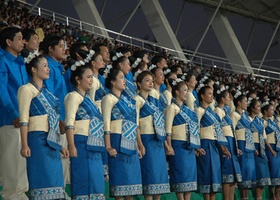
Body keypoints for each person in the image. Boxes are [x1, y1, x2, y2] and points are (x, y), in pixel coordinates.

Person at [18, 52, 68, 199]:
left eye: (48, 66)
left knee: (56, 184)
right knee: (42, 181)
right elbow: (24, 120)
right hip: (37, 140)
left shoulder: (48, 93)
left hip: (52, 142)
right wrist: (25, 144)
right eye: (44, 66)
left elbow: (52, 120)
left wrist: (61, 146)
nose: (48, 69)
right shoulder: (26, 89)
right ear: (34, 69)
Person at [64, 62, 106, 199]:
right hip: (81, 143)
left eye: (92, 77)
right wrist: (71, 145)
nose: (91, 80)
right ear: (78, 79)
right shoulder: (73, 96)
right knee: (83, 180)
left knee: (96, 183)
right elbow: (69, 123)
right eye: (88, 77)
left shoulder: (89, 100)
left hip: (94, 145)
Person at [101, 68, 142, 199]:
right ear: (113, 82)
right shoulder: (108, 98)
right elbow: (106, 124)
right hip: (117, 140)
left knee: (131, 184)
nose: (125, 81)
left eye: (124, 78)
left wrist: (138, 144)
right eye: (121, 77)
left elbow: (134, 125)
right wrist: (108, 146)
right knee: (120, 182)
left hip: (131, 142)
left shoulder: (129, 102)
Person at [0, 27, 29, 200]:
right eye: (19, 38)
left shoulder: (20, 62)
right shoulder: (2, 60)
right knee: (11, 157)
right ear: (8, 42)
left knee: (21, 156)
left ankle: (20, 192)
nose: (22, 41)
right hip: (10, 118)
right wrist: (12, 113)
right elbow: (2, 90)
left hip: (23, 116)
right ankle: (10, 193)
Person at [165, 79, 204, 200]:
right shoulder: (172, 107)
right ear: (177, 92)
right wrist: (169, 146)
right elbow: (168, 129)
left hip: (189, 147)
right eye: (184, 90)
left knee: (189, 177)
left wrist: (196, 147)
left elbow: (192, 130)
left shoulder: (188, 110)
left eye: (188, 90)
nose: (187, 93)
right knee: (180, 175)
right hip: (178, 146)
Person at [135, 71, 170, 199]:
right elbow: (136, 124)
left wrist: (165, 144)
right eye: (147, 80)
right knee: (150, 176)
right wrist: (140, 143)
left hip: (158, 141)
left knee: (159, 179)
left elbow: (160, 124)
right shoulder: (137, 100)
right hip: (146, 140)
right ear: (139, 83)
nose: (150, 83)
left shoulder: (155, 101)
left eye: (151, 80)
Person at [195, 86, 228, 200]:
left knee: (215, 175)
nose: (212, 96)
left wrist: (222, 147)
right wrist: (197, 146)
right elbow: (196, 129)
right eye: (209, 93)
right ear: (202, 96)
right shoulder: (199, 110)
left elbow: (217, 130)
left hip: (214, 145)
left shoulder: (213, 113)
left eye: (212, 93)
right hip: (205, 144)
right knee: (207, 174)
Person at [214, 88, 242, 200]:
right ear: (222, 98)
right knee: (227, 174)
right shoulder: (217, 110)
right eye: (228, 97)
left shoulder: (225, 111)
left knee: (232, 176)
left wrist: (236, 146)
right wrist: (222, 146)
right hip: (224, 141)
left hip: (231, 142)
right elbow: (218, 129)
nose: (230, 99)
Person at [230, 91, 256, 199]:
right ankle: (242, 197)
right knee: (243, 172)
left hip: (248, 146)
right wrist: (236, 147)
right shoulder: (234, 115)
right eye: (245, 101)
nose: (246, 103)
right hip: (240, 145)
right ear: (239, 103)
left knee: (249, 172)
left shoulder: (245, 116)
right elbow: (232, 131)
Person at [248, 99, 271, 199]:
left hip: (261, 148)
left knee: (262, 177)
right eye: (257, 106)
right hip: (253, 147)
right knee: (256, 177)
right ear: (252, 108)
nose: (259, 108)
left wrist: (269, 150)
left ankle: (259, 197)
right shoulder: (247, 119)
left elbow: (264, 137)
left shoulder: (260, 121)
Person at [262, 103, 280, 200]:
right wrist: (271, 150)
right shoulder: (262, 122)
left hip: (277, 147)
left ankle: (277, 195)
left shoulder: (272, 121)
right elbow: (264, 138)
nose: (273, 112)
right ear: (265, 111)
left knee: (279, 172)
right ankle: (272, 194)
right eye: (271, 110)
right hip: (270, 148)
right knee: (273, 171)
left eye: (273, 110)